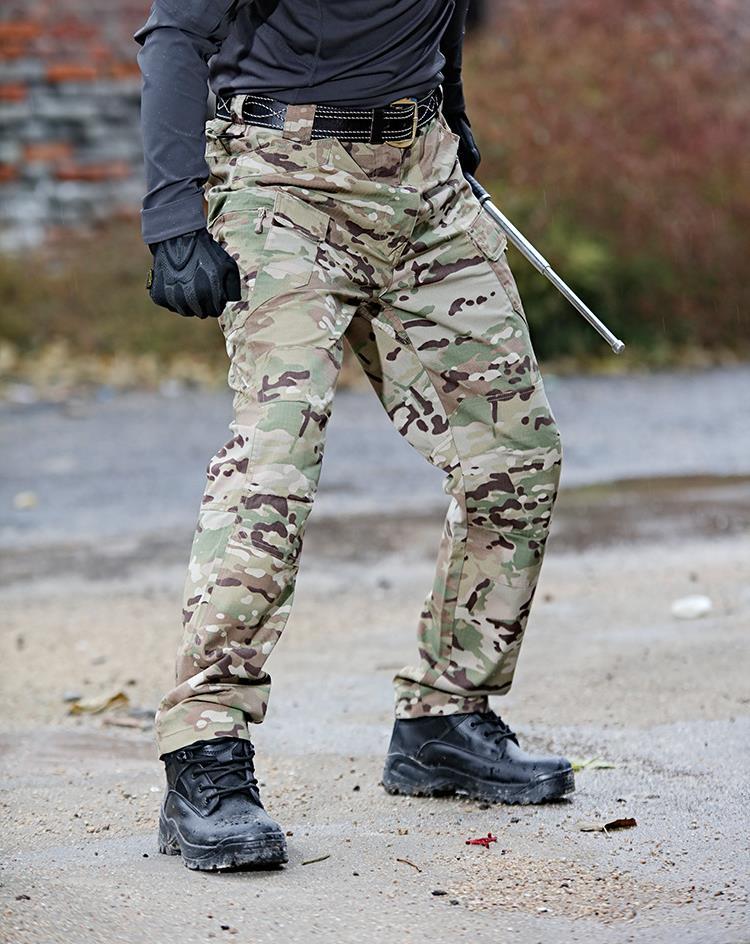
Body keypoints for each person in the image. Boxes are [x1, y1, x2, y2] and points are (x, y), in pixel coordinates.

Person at [135, 0, 573, 872]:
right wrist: (172, 219)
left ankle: (446, 718)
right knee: (276, 465)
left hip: (425, 184)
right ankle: (204, 755)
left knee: (516, 458)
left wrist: (452, 110)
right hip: (282, 182)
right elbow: (175, 35)